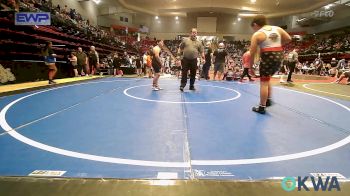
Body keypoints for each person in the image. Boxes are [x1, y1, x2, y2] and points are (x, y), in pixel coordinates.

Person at [249, 15, 291, 114]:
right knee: (267, 79)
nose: (254, 30)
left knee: (263, 82)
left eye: (253, 27)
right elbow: (289, 38)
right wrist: (277, 45)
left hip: (268, 56)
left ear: (255, 24)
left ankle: (261, 107)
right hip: (279, 55)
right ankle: (268, 100)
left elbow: (252, 53)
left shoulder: (257, 34)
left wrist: (251, 67)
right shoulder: (277, 29)